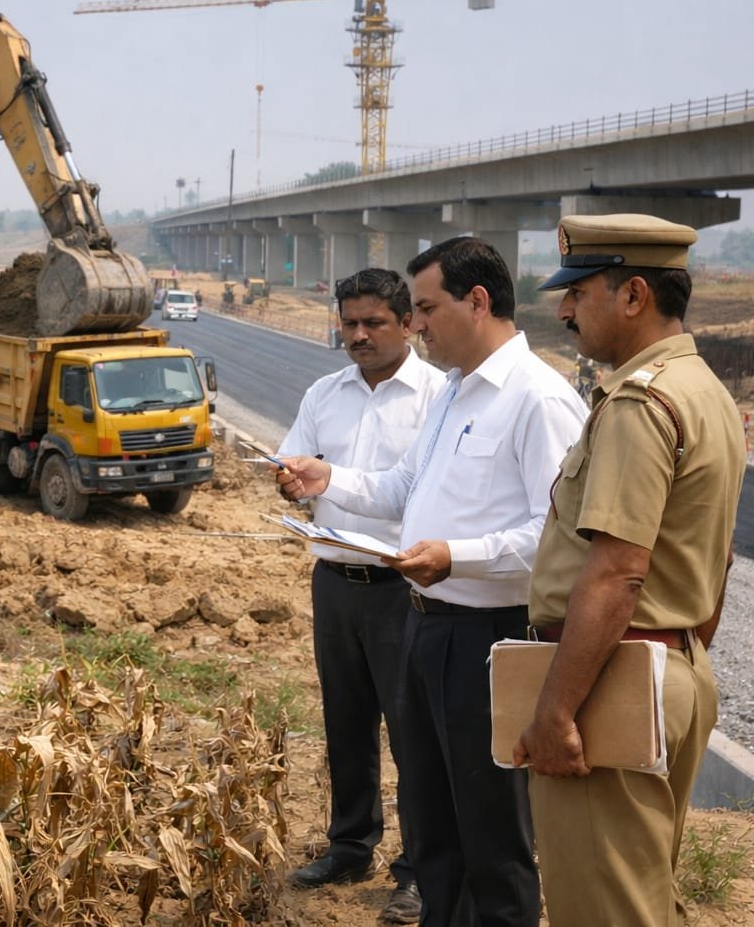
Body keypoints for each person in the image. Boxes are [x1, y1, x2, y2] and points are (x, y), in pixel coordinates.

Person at [277, 237, 588, 926]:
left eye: (423, 309)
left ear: (477, 303)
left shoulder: (538, 400)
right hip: (426, 624)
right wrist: (330, 479)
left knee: (491, 834)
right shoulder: (454, 393)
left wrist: (458, 555)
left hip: (490, 637)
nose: (414, 326)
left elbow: (561, 539)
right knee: (435, 822)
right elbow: (402, 487)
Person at [517, 214, 743, 924]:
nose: (562, 310)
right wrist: (679, 647)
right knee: (641, 897)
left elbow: (617, 572)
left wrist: (555, 711)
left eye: (577, 293)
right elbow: (717, 555)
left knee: (606, 911)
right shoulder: (704, 389)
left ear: (634, 295)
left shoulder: (639, 402)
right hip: (669, 664)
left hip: (613, 681)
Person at [278, 269, 444, 924]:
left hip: (406, 590)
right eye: (349, 323)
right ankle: (352, 846)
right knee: (346, 724)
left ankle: (419, 871)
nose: (358, 335)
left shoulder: (438, 396)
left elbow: (420, 487)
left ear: (407, 324)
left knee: (414, 734)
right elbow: (293, 461)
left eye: (373, 323)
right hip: (336, 583)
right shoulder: (326, 393)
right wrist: (290, 481)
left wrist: (331, 481)